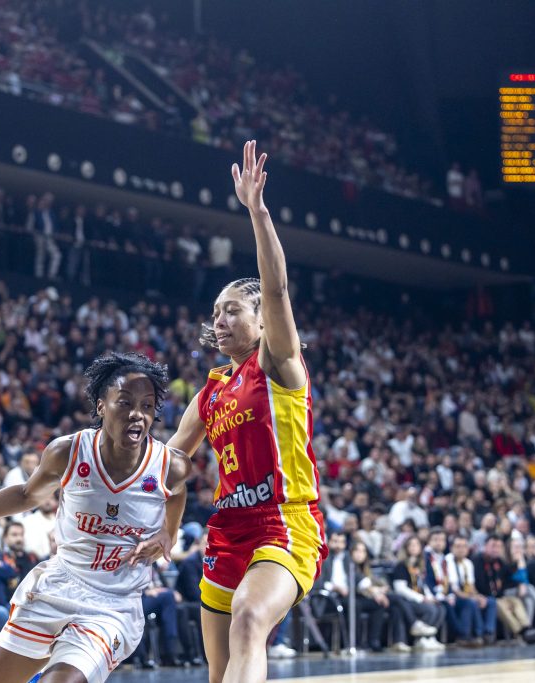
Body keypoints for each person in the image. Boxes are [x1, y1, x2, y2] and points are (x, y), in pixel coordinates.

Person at [166, 141, 327, 683]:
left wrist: (257, 212)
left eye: (232, 310)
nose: (220, 320)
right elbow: (170, 464)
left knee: (250, 618)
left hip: (284, 522)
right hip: (226, 530)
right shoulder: (209, 392)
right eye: (215, 313)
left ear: (260, 321)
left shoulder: (278, 363)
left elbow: (276, 288)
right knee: (220, 671)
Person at [0, 352, 190, 683]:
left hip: (113, 605)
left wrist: (169, 531)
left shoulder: (171, 465)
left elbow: (177, 491)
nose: (137, 414)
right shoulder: (68, 452)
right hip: (60, 585)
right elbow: (26, 495)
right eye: (125, 403)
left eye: (147, 406)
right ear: (101, 406)